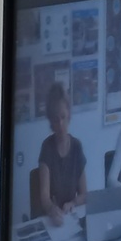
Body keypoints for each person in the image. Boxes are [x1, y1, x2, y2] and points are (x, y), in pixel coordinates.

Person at [31, 83, 88, 226]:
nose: (61, 124)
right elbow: (44, 197)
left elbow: (84, 194)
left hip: (70, 217)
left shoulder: (77, 147)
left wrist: (73, 203)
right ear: (51, 122)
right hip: (52, 220)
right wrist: (51, 209)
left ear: (69, 114)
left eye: (63, 117)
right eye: (56, 120)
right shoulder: (47, 148)